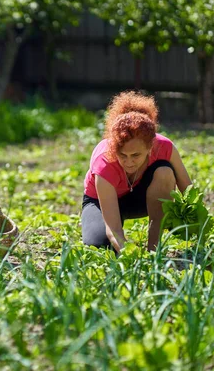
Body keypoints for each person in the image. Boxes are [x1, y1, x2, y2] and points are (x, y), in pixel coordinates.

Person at [81, 91, 191, 253]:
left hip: (141, 199)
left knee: (165, 172)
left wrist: (197, 225)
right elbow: (114, 229)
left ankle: (154, 250)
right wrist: (129, 256)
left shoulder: (164, 147)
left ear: (150, 147)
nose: (129, 162)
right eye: (122, 155)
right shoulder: (104, 162)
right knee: (99, 246)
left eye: (136, 155)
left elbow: (189, 192)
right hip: (101, 202)